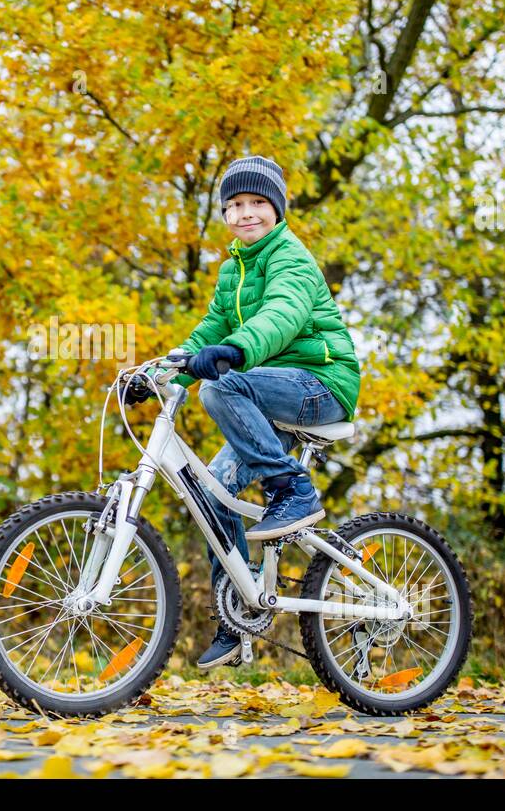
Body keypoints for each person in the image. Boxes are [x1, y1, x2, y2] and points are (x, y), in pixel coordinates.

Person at [122, 154, 361, 669]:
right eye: (234, 205)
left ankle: (293, 490)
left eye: (256, 203)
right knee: (214, 492)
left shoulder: (290, 258)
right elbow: (208, 335)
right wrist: (159, 374)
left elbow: (282, 315)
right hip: (265, 392)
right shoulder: (234, 269)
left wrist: (236, 352)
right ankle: (237, 618)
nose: (245, 213)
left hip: (320, 384)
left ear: (276, 209)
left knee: (219, 389)